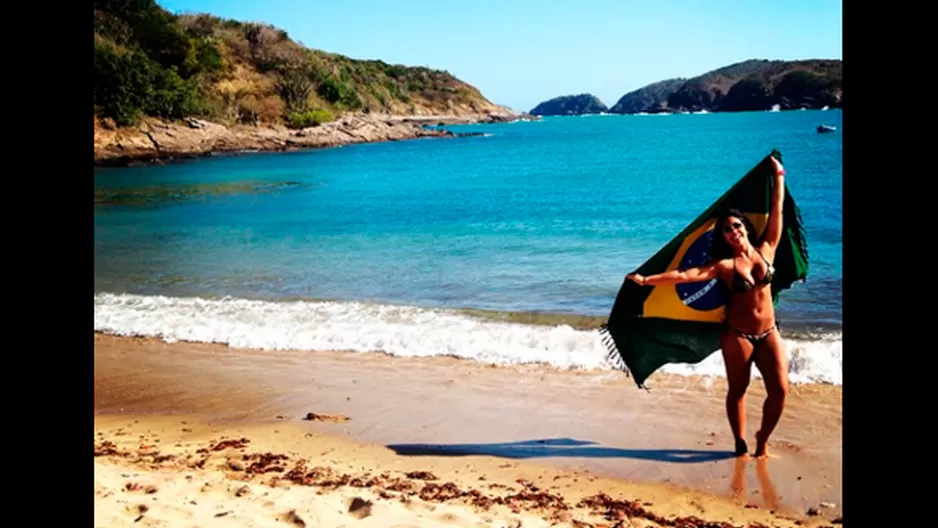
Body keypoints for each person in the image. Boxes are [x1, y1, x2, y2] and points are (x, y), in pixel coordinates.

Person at [626, 157, 787, 459]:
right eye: (727, 229)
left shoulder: (768, 249)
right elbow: (686, 276)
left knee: (779, 392)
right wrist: (647, 280)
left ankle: (762, 439)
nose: (733, 231)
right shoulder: (723, 265)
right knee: (738, 390)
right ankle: (740, 443)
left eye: (737, 225)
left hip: (769, 332)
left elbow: (777, 210)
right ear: (723, 237)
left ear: (746, 228)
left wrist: (779, 176)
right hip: (738, 335)